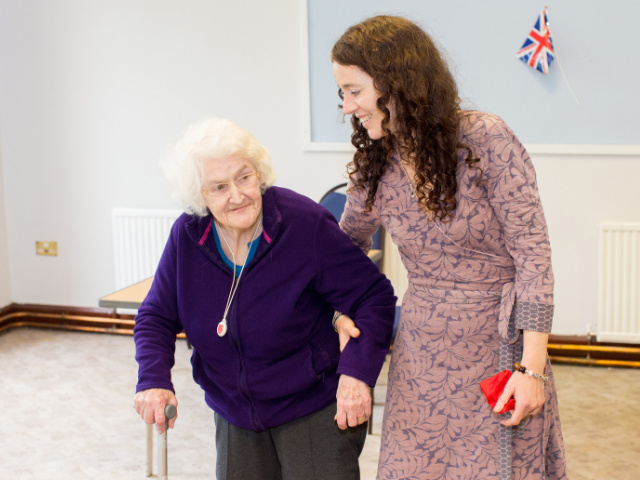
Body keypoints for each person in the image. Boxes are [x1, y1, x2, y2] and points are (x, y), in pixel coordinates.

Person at [330, 15, 568, 480]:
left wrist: (533, 370)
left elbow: (533, 257)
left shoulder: (484, 139)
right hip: (421, 354)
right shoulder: (376, 164)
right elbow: (341, 254)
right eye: (341, 93)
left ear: (395, 81)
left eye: (354, 91)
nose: (346, 106)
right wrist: (341, 313)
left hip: (499, 351)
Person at [133, 118, 396, 480]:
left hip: (311, 404)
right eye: (219, 187)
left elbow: (373, 296)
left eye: (244, 177)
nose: (237, 195)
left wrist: (356, 374)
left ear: (259, 172)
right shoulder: (188, 236)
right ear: (199, 196)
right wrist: (153, 379)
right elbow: (156, 315)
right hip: (234, 411)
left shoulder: (303, 223)